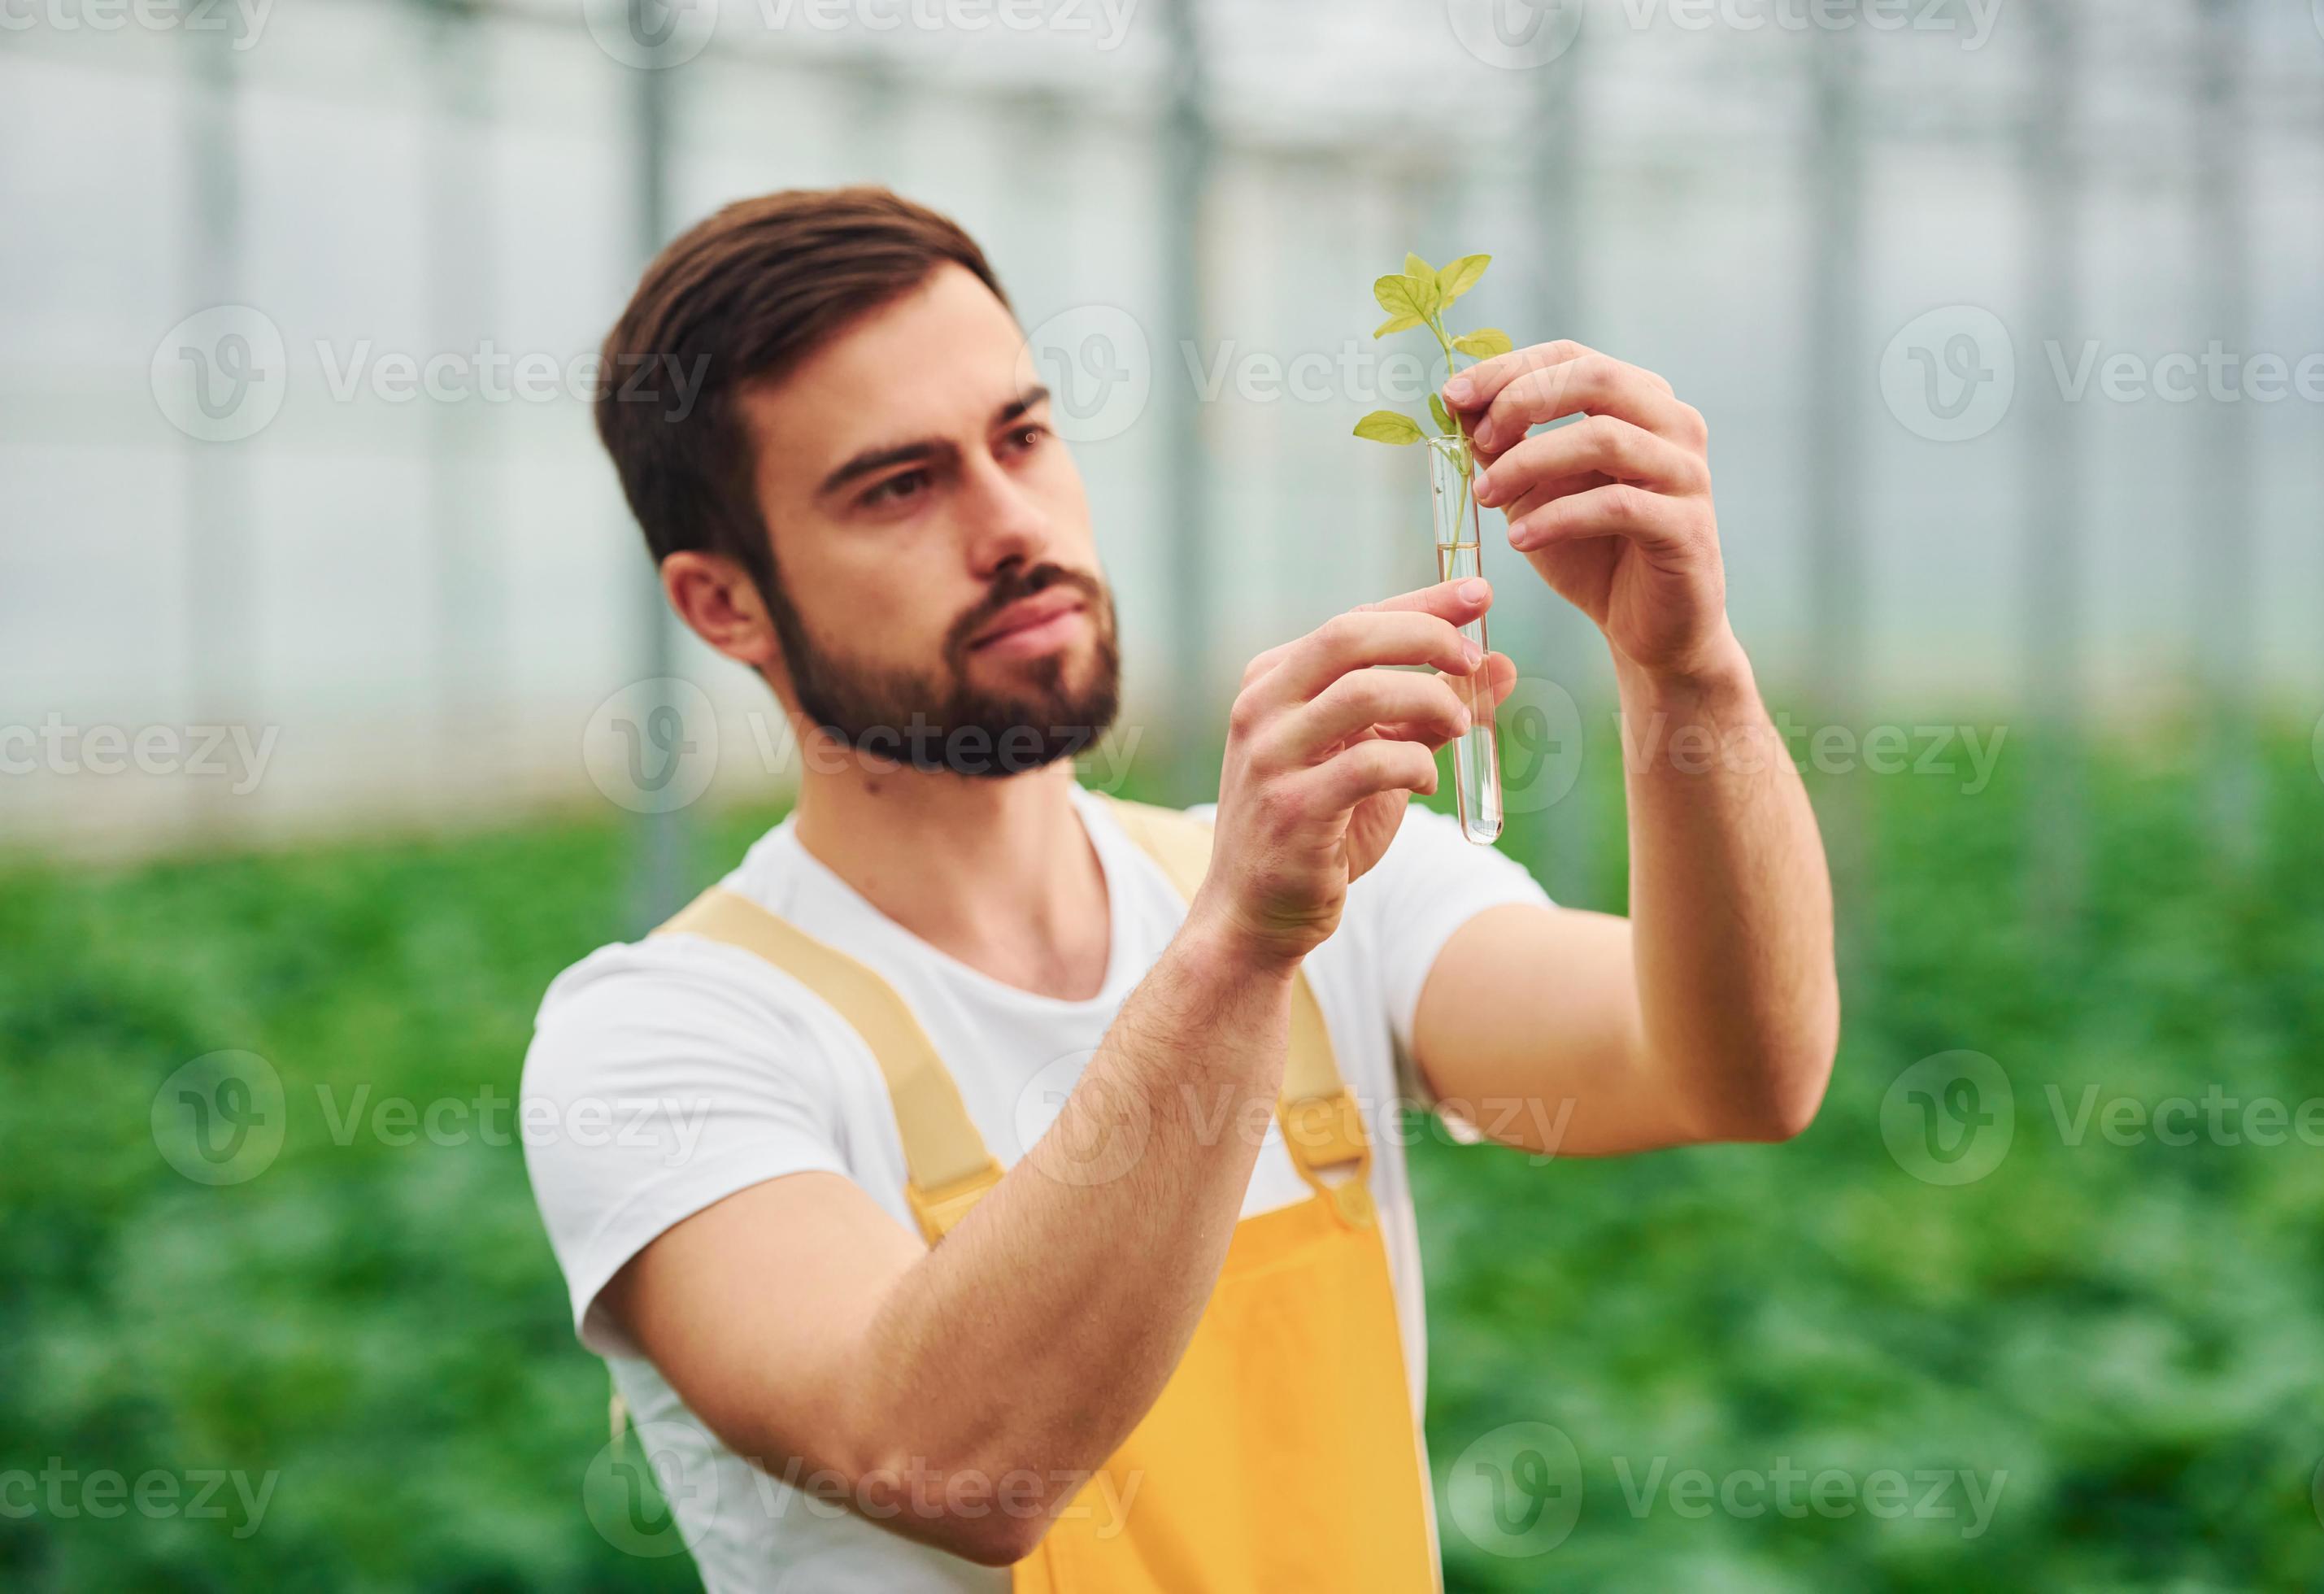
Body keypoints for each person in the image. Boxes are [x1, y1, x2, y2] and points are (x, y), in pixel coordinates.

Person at [522, 185, 1838, 1593]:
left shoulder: (1352, 893)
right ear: (722, 604)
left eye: (1021, 434)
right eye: (900, 486)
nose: (1010, 522)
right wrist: (1241, 946)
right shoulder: (670, 1037)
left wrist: (1686, 666)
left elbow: (1728, 1071)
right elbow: (950, 1460)